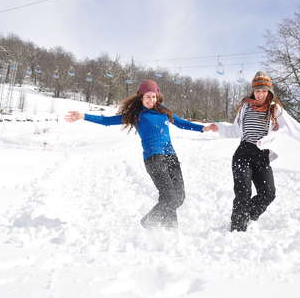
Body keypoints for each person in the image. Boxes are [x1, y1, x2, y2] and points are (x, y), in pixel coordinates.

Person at [65, 79, 217, 230]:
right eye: (148, 96)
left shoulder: (164, 112)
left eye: (154, 96)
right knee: (169, 196)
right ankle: (149, 222)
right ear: (141, 97)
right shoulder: (136, 115)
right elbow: (107, 121)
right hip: (154, 158)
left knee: (178, 197)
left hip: (171, 157)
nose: (151, 99)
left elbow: (182, 123)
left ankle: (170, 230)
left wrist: (203, 128)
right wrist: (83, 116)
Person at [212, 71, 300, 232]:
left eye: (263, 90)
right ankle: (236, 229)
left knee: (268, 193)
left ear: (269, 91)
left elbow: (297, 130)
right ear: (252, 91)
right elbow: (235, 130)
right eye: (257, 90)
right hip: (243, 153)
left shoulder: (275, 110)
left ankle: (245, 216)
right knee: (243, 193)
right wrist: (218, 128)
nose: (260, 94)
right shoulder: (245, 107)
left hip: (262, 156)